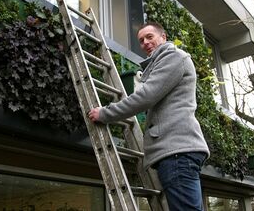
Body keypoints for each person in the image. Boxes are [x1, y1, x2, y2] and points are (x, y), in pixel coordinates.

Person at [88, 22, 210, 211]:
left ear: (164, 37)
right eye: (141, 40)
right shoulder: (161, 63)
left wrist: (105, 113)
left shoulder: (173, 57)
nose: (145, 42)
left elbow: (146, 97)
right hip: (176, 152)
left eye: (149, 37)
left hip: (176, 152)